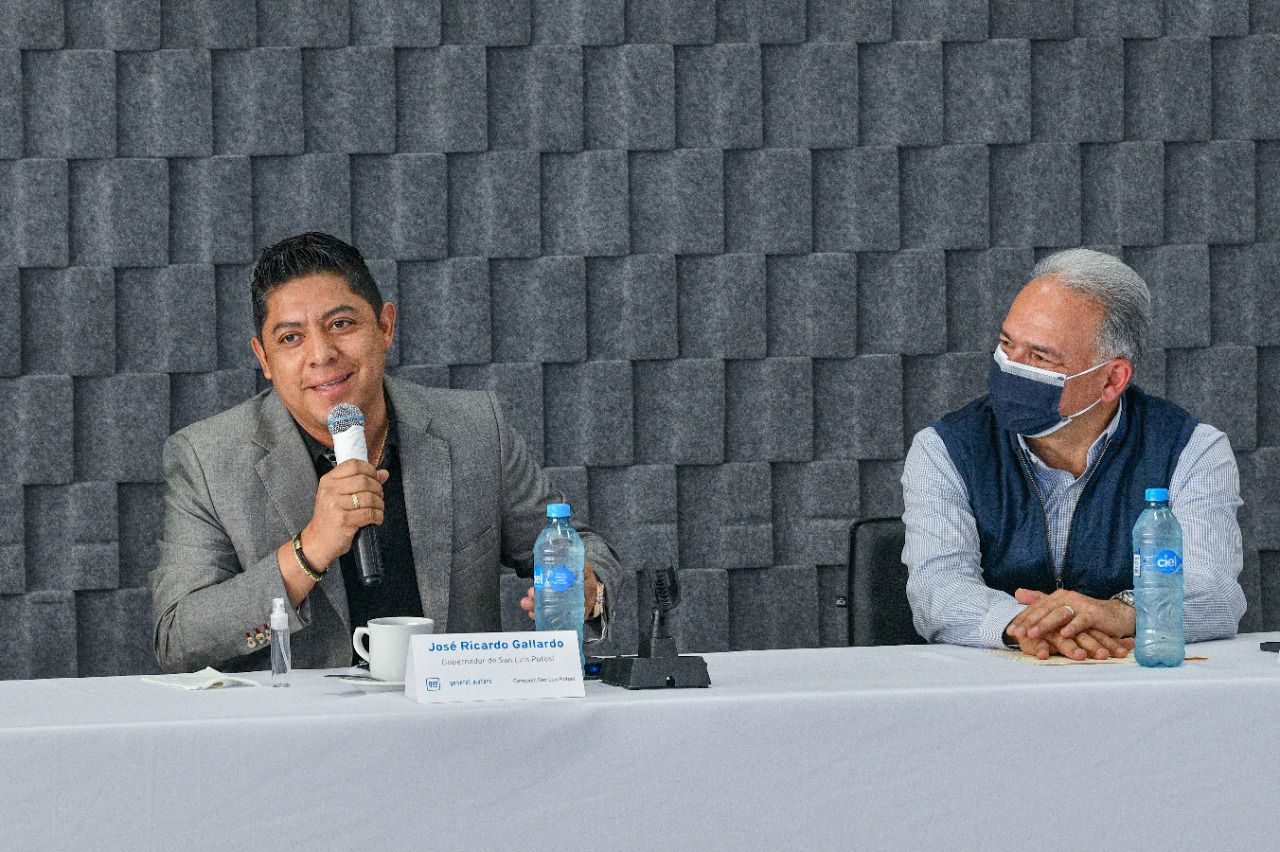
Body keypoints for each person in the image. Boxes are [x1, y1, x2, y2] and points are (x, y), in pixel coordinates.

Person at [151, 232, 621, 672]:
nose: (321, 354)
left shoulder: (476, 429)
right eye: (291, 338)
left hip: (453, 718)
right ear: (264, 359)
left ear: (385, 326)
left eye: (341, 324)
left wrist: (589, 587)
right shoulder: (207, 459)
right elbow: (177, 637)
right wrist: (309, 550)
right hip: (298, 727)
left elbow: (580, 545)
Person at [901, 248, 1245, 660]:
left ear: (1112, 379)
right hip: (994, 682)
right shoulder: (944, 448)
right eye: (1006, 344)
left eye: (1040, 356)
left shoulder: (1192, 449)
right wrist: (1030, 625)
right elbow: (937, 589)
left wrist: (1121, 612)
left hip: (1135, 680)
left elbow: (1217, 592)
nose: (1011, 366)